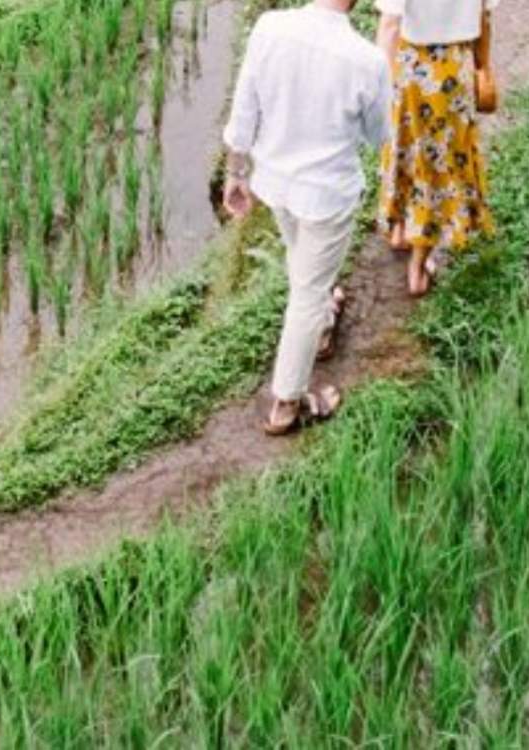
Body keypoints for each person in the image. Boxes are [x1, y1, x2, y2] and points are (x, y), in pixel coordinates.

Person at [222, 0, 390, 436]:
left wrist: (235, 173)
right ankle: (287, 403)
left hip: (275, 181)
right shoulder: (367, 60)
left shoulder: (269, 27)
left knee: (306, 269)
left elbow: (244, 108)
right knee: (309, 293)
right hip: (326, 195)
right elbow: (378, 136)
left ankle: (324, 324)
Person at [376, 0, 498, 297]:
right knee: (440, 164)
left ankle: (399, 228)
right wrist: (483, 67)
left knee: (405, 148)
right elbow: (484, 18)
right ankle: (418, 266)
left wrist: (379, 82)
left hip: (410, 66)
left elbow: (390, 24)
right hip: (454, 69)